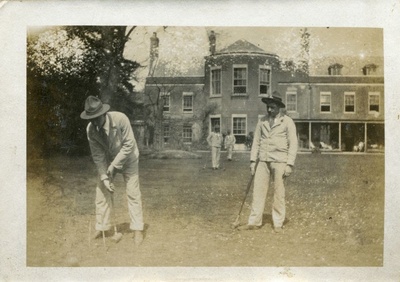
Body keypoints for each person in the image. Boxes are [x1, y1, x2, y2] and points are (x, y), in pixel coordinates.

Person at [80, 96, 144, 246]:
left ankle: (137, 229)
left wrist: (114, 166)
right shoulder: (90, 129)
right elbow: (97, 155)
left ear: (103, 113)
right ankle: (102, 227)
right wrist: (104, 177)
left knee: (133, 193)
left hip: (129, 158)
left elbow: (129, 145)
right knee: (101, 191)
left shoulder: (121, 119)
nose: (94, 122)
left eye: (96, 118)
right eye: (91, 119)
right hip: (109, 161)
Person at [238, 91, 298, 233]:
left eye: (272, 107)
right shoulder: (262, 121)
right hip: (263, 160)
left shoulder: (288, 122)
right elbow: (256, 142)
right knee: (258, 191)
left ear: (279, 107)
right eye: (268, 107)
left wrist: (289, 164)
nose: (269, 110)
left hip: (280, 161)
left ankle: (278, 223)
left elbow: (293, 144)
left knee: (279, 193)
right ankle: (254, 221)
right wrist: (253, 161)